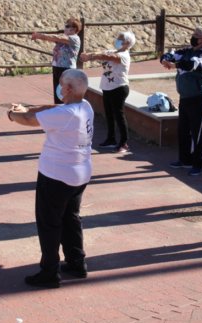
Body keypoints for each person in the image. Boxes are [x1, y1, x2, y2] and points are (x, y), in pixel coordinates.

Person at [7, 69, 93, 288]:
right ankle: (76, 262)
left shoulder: (67, 114)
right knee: (70, 218)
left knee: (49, 223)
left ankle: (49, 272)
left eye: (62, 83)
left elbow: (28, 120)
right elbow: (52, 109)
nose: (59, 86)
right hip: (79, 173)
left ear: (69, 89)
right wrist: (29, 108)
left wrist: (13, 114)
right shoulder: (84, 106)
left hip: (57, 175)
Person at [162, 27, 202, 175]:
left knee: (199, 132)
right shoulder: (187, 51)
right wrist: (166, 60)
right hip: (184, 96)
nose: (193, 37)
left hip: (198, 97)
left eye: (196, 36)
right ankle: (185, 159)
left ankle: (199, 165)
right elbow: (170, 55)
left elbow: (194, 64)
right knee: (183, 130)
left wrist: (176, 65)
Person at [80, 31, 136, 153]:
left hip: (119, 88)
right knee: (109, 115)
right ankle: (111, 139)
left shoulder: (124, 56)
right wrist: (88, 54)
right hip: (107, 87)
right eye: (118, 37)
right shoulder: (113, 51)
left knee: (119, 116)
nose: (118, 40)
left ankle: (124, 143)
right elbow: (102, 53)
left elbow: (108, 57)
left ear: (127, 43)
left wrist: (90, 57)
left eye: (121, 38)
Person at [31, 18, 82, 104]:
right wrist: (40, 37)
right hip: (57, 67)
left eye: (66, 26)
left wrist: (40, 35)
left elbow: (56, 37)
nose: (64, 28)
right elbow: (52, 38)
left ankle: (66, 113)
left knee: (64, 93)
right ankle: (58, 111)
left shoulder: (74, 39)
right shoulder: (64, 38)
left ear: (73, 29)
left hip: (66, 69)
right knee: (58, 93)